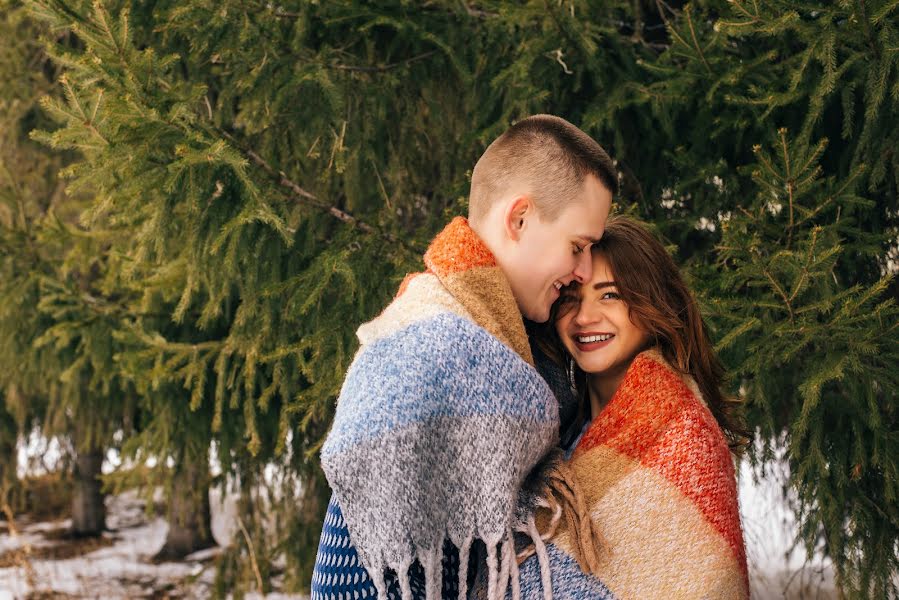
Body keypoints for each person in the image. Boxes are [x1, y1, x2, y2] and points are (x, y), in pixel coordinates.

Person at [311, 115, 618, 600]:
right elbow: (347, 569)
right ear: (518, 219)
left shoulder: (522, 341)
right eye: (577, 246)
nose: (583, 271)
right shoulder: (433, 348)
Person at [491, 216, 750, 599]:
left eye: (609, 294)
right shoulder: (553, 435)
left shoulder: (684, 438)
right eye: (571, 298)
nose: (584, 317)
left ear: (654, 303)